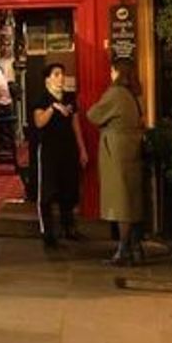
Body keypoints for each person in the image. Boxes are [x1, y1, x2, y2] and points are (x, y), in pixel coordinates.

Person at [87, 59, 145, 266]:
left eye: (112, 71)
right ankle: (136, 247)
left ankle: (123, 250)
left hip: (116, 151)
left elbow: (93, 115)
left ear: (118, 72)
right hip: (133, 148)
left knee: (121, 203)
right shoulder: (135, 94)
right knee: (133, 200)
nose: (110, 74)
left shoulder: (115, 93)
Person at [32, 63, 89, 249]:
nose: (60, 78)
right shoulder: (42, 98)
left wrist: (82, 149)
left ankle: (68, 227)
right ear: (47, 79)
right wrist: (52, 108)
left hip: (68, 148)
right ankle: (47, 232)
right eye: (56, 74)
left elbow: (75, 124)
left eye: (62, 74)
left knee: (69, 189)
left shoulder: (70, 97)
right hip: (49, 149)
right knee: (48, 191)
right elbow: (39, 122)